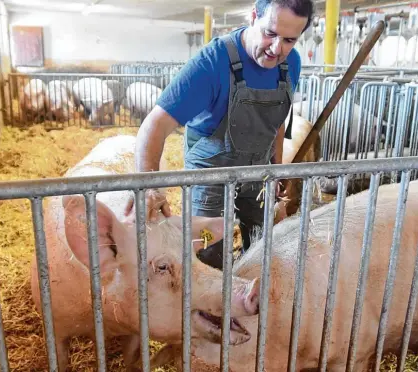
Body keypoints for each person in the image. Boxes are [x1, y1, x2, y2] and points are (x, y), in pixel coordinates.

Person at [134, 0, 315, 270]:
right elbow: (154, 125)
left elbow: (275, 122)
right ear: (254, 16)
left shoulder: (291, 64)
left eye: (289, 40)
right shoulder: (212, 63)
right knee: (207, 246)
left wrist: (276, 168)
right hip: (210, 177)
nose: (277, 49)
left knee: (263, 240)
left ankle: (252, 304)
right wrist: (149, 187)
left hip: (258, 172)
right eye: (270, 33)